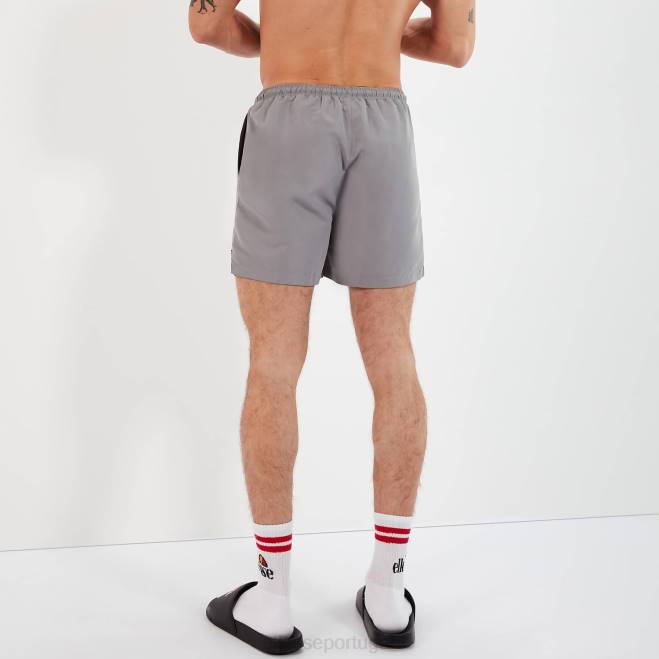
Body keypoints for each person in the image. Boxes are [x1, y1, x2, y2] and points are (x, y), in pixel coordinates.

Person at [189, 0, 475, 652]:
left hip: (288, 119)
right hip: (383, 124)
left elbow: (206, 23)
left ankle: (271, 600)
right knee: (394, 357)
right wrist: (387, 31)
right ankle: (388, 591)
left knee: (273, 361)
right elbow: (455, 46)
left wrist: (275, 36)